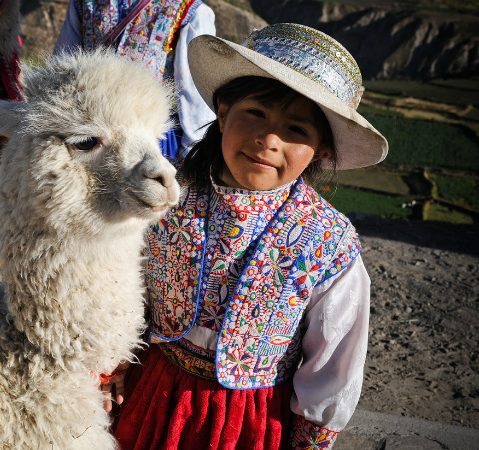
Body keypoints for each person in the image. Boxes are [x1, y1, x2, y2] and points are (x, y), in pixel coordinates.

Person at [102, 23, 389, 450]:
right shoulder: (166, 198)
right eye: (256, 113)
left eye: (296, 130)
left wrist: (310, 440)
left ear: (322, 150)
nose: (269, 139)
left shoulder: (328, 242)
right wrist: (112, 367)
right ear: (222, 109)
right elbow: (122, 290)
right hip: (150, 395)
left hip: (251, 422)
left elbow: (334, 361)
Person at [54, 0, 217, 158]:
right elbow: (62, 72)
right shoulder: (84, 4)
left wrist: (195, 151)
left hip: (147, 136)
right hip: (92, 134)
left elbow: (194, 91)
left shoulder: (190, 11)